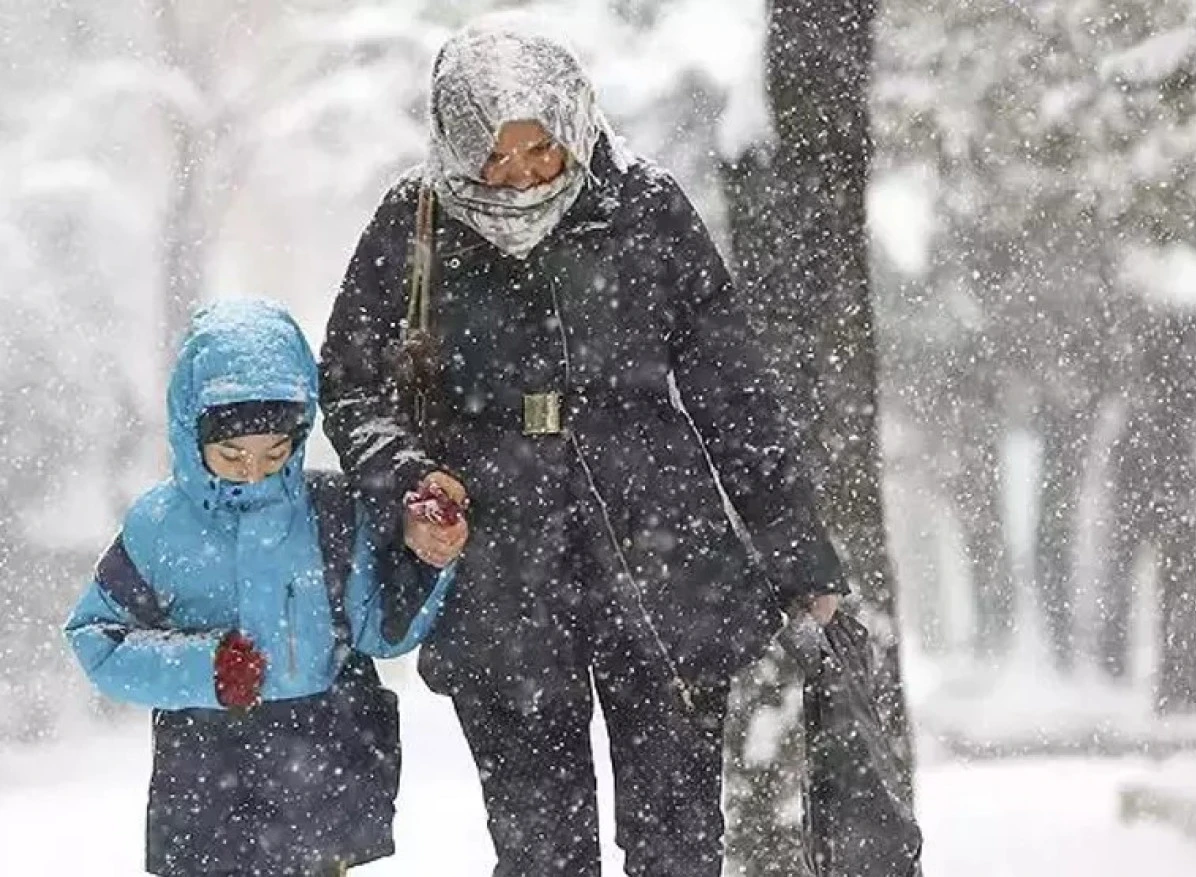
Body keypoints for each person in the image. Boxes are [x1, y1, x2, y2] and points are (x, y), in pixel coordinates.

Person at [320, 19, 845, 877]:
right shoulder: (411, 225)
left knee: (678, 845)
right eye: (495, 156)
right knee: (540, 853)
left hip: (659, 561)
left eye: (542, 150)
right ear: (454, 141)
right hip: (498, 572)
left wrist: (798, 554)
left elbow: (734, 394)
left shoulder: (645, 208)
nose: (522, 175)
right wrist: (409, 480)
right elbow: (350, 382)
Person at [65, 298, 455, 877]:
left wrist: (426, 561)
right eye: (230, 455)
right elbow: (97, 638)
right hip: (206, 772)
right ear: (189, 429)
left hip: (321, 768)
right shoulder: (158, 526)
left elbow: (381, 633)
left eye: (276, 453)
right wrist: (203, 668)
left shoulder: (331, 511)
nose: (254, 470)